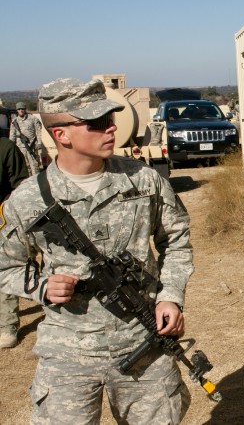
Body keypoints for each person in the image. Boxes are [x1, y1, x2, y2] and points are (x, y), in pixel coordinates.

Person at [0, 78, 193, 423]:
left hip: (143, 340)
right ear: (62, 135)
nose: (112, 128)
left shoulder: (144, 181)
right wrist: (43, 287)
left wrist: (170, 296)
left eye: (111, 118)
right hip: (68, 351)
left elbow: (176, 240)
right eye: (97, 122)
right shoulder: (28, 200)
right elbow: (6, 266)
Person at [0, 136, 29, 349]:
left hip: (1, 219)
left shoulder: (5, 147)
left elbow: (21, 185)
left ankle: (6, 326)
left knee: (3, 269)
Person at [9, 102, 44, 176]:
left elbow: (39, 131)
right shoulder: (14, 121)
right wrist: (11, 147)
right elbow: (12, 135)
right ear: (17, 110)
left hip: (31, 147)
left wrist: (39, 142)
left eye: (22, 109)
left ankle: (36, 182)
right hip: (20, 147)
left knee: (34, 166)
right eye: (19, 109)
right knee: (25, 166)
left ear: (25, 109)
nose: (21, 110)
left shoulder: (32, 118)